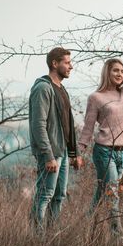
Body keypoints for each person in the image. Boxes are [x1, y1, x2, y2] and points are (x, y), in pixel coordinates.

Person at [78, 58, 123, 235]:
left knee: (103, 193)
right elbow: (88, 127)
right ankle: (118, 237)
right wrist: (79, 152)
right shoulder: (96, 98)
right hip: (104, 152)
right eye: (115, 71)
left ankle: (85, 227)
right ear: (106, 73)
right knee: (112, 194)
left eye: (122, 71)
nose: (119, 74)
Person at [29, 47, 84, 232]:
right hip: (51, 153)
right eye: (67, 63)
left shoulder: (61, 89)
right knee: (45, 195)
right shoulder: (43, 88)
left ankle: (52, 239)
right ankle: (37, 239)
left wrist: (74, 153)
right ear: (55, 63)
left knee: (59, 195)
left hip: (61, 152)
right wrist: (48, 155)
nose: (71, 66)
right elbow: (38, 125)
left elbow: (67, 124)